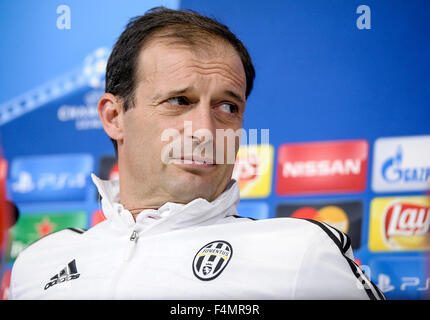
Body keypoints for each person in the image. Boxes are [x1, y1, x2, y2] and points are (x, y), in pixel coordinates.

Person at [9, 7, 385, 300]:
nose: (205, 130)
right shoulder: (37, 264)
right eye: (178, 101)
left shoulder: (301, 252)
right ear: (113, 117)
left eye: (227, 107)